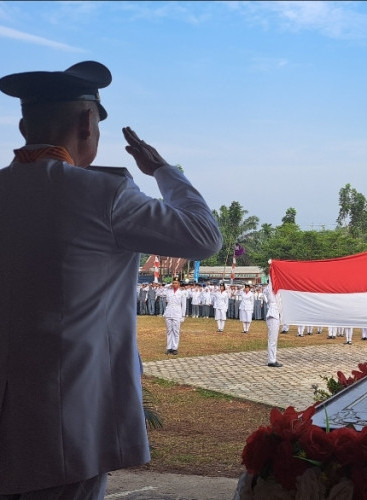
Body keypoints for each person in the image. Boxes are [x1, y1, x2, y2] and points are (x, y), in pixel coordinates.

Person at [0, 61, 222, 498]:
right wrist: (162, 170)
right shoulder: (105, 194)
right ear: (88, 123)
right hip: (68, 420)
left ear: (24, 123)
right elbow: (204, 236)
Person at [159, 280, 188, 354]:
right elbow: (159, 292)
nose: (174, 284)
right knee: (169, 331)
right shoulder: (168, 291)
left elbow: (184, 305)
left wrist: (183, 315)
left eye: (176, 283)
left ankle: (174, 348)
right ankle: (169, 347)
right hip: (168, 312)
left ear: (179, 284)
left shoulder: (182, 293)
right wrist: (168, 285)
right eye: (173, 283)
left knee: (176, 331)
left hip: (177, 313)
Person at [262, 282, 283, 367]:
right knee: (272, 339)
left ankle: (272, 358)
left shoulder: (275, 290)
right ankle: (271, 360)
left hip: (276, 314)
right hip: (272, 314)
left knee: (274, 339)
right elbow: (266, 293)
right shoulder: (270, 288)